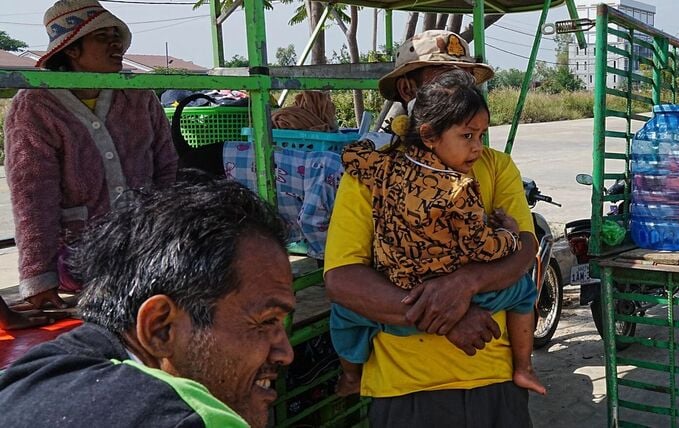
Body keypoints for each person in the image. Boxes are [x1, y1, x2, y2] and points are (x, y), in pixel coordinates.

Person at [324, 30, 537, 427]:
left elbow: (524, 252)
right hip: (405, 389)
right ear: (408, 90)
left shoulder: (494, 166)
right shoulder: (375, 172)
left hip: (495, 378)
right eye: (444, 81)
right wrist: (450, 317)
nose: (460, 91)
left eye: (467, 83)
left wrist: (469, 281)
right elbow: (342, 280)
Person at [0, 174, 295, 428]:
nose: (286, 353)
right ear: (160, 327)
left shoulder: (28, 379)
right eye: (266, 321)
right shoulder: (186, 418)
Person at [2, 0, 178, 314]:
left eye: (117, 35)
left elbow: (167, 171)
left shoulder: (139, 97)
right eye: (102, 37)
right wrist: (38, 278)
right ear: (71, 49)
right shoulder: (35, 105)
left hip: (146, 245)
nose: (116, 43)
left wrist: (170, 239)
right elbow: (33, 197)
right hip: (79, 257)